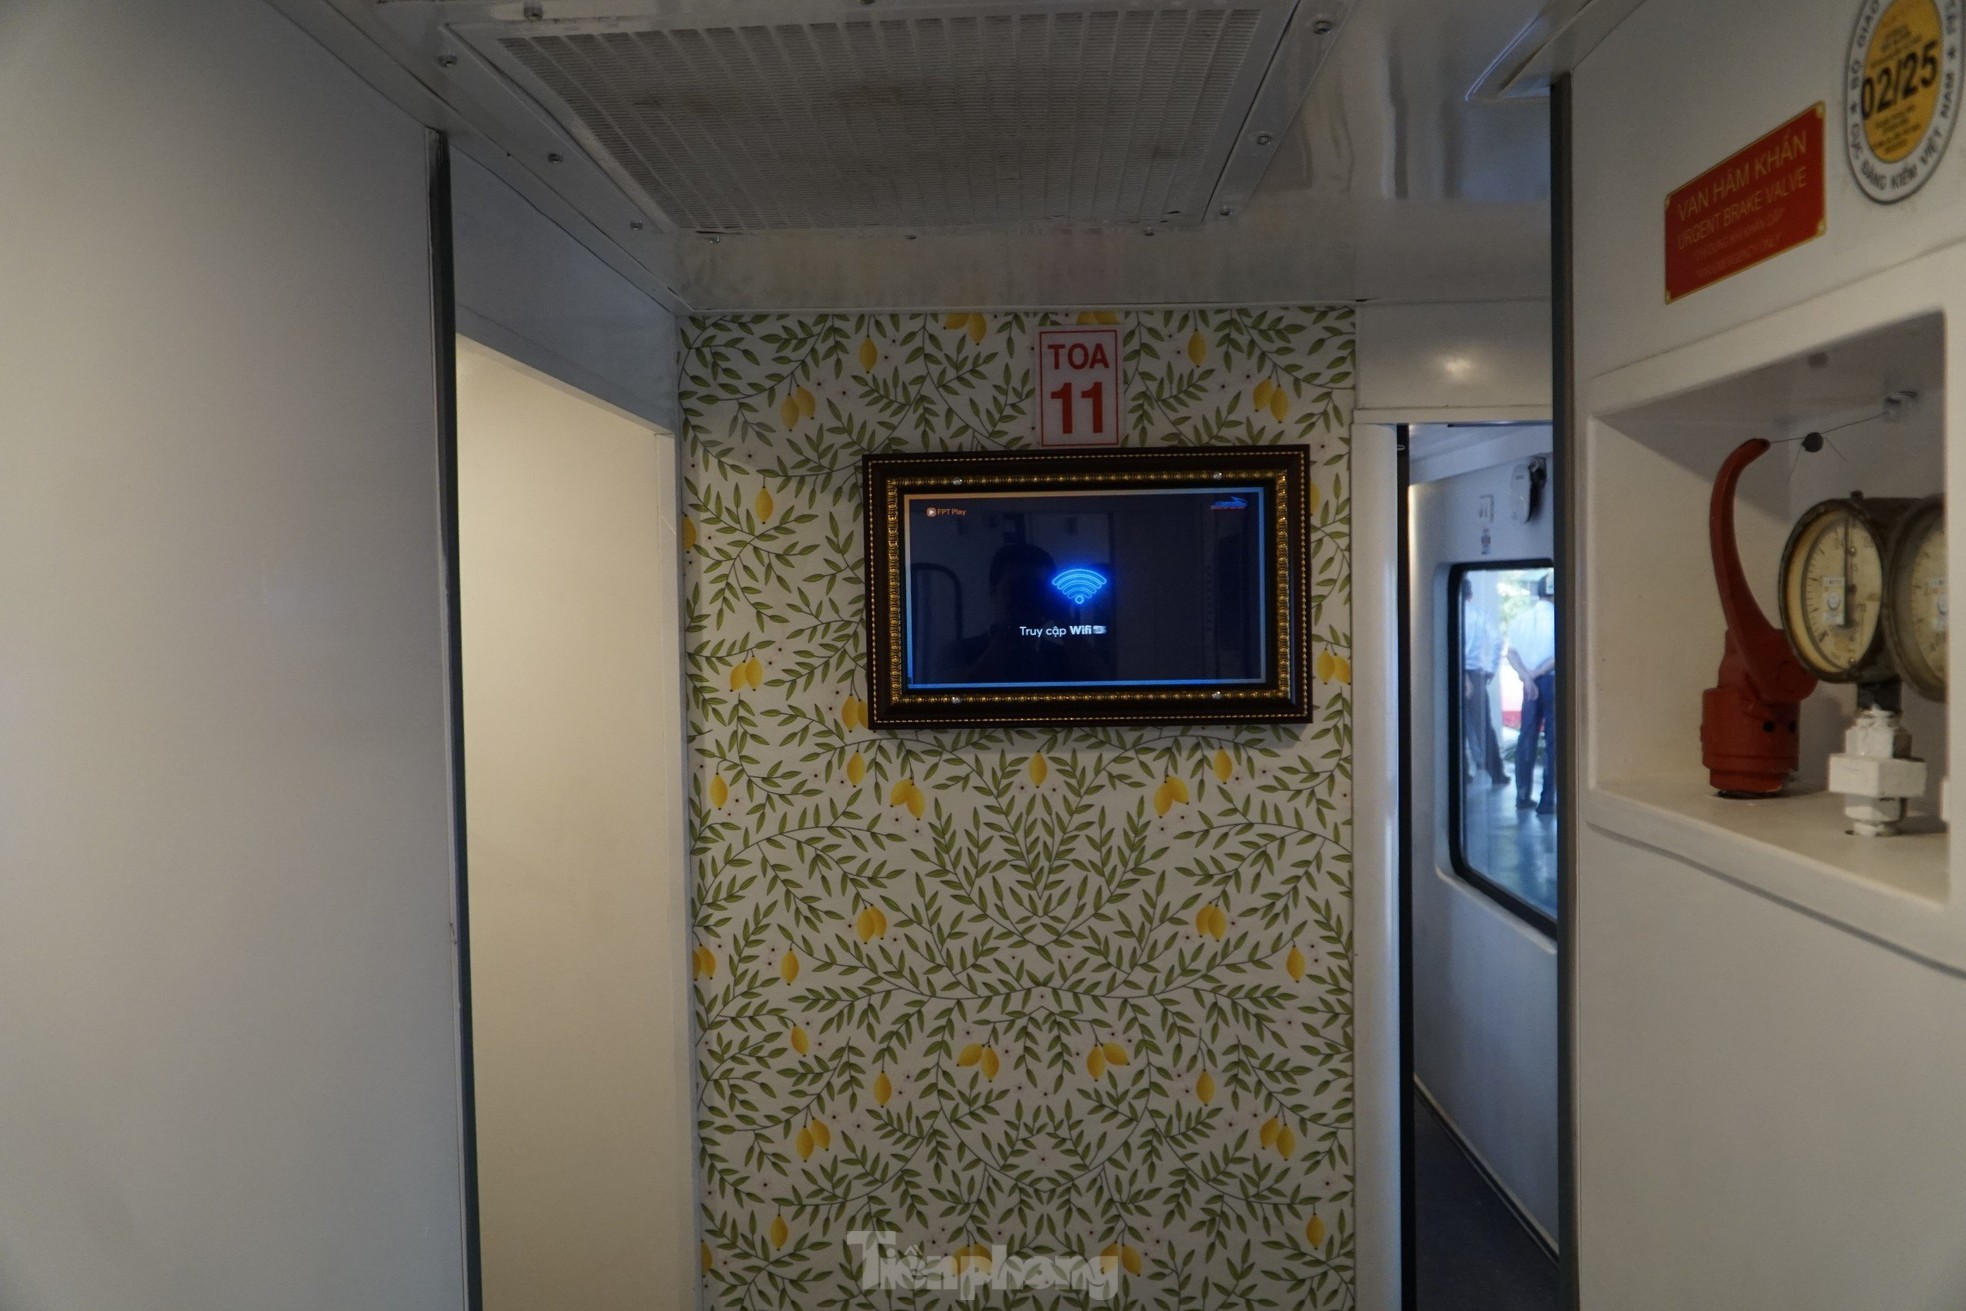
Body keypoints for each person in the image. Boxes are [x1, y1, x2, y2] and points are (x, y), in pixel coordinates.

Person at [940, 541, 1107, 684]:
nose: (1025, 596)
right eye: (1015, 588)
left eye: (1036, 589)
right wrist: (1009, 633)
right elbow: (956, 698)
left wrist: (1062, 616)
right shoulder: (960, 651)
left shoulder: (1063, 656)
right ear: (993, 590)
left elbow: (1102, 688)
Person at [1505, 572, 1557, 815]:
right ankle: (1547, 801)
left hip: (1529, 686)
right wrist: (1537, 674)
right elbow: (1560, 655)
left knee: (1526, 738)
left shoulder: (1520, 619)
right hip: (1552, 682)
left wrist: (1527, 677)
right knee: (1553, 741)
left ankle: (1522, 796)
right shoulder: (1560, 618)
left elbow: (1511, 653)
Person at [1460, 577, 1509, 786]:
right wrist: (1490, 668)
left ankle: (1461, 773)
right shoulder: (1480, 616)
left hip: (1452, 674)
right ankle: (1496, 774)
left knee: (1455, 727)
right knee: (1484, 727)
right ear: (1470, 595)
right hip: (1476, 674)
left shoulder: (1448, 614)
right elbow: (1497, 640)